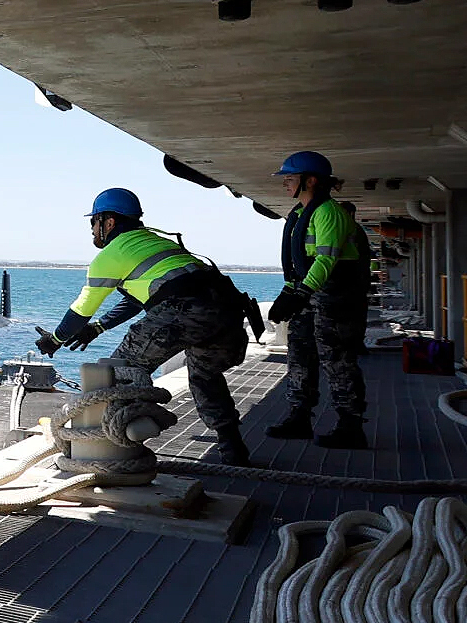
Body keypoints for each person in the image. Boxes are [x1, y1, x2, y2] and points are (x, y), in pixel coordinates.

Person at [34, 188, 255, 465]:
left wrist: (54, 340)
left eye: (93, 223)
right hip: (227, 312)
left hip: (183, 310)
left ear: (108, 222)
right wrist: (99, 328)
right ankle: (233, 449)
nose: (91, 231)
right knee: (204, 376)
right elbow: (142, 300)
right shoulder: (156, 243)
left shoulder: (112, 254)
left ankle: (111, 452)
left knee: (113, 375)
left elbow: (81, 310)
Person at [267, 151, 371, 448]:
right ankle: (298, 417)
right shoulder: (300, 214)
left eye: (290, 178)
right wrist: (290, 292)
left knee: (337, 359)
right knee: (299, 354)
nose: (285, 184)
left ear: (310, 181)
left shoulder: (329, 213)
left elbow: (326, 261)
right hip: (310, 293)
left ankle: (351, 426)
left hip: (335, 295)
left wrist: (301, 293)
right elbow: (299, 260)